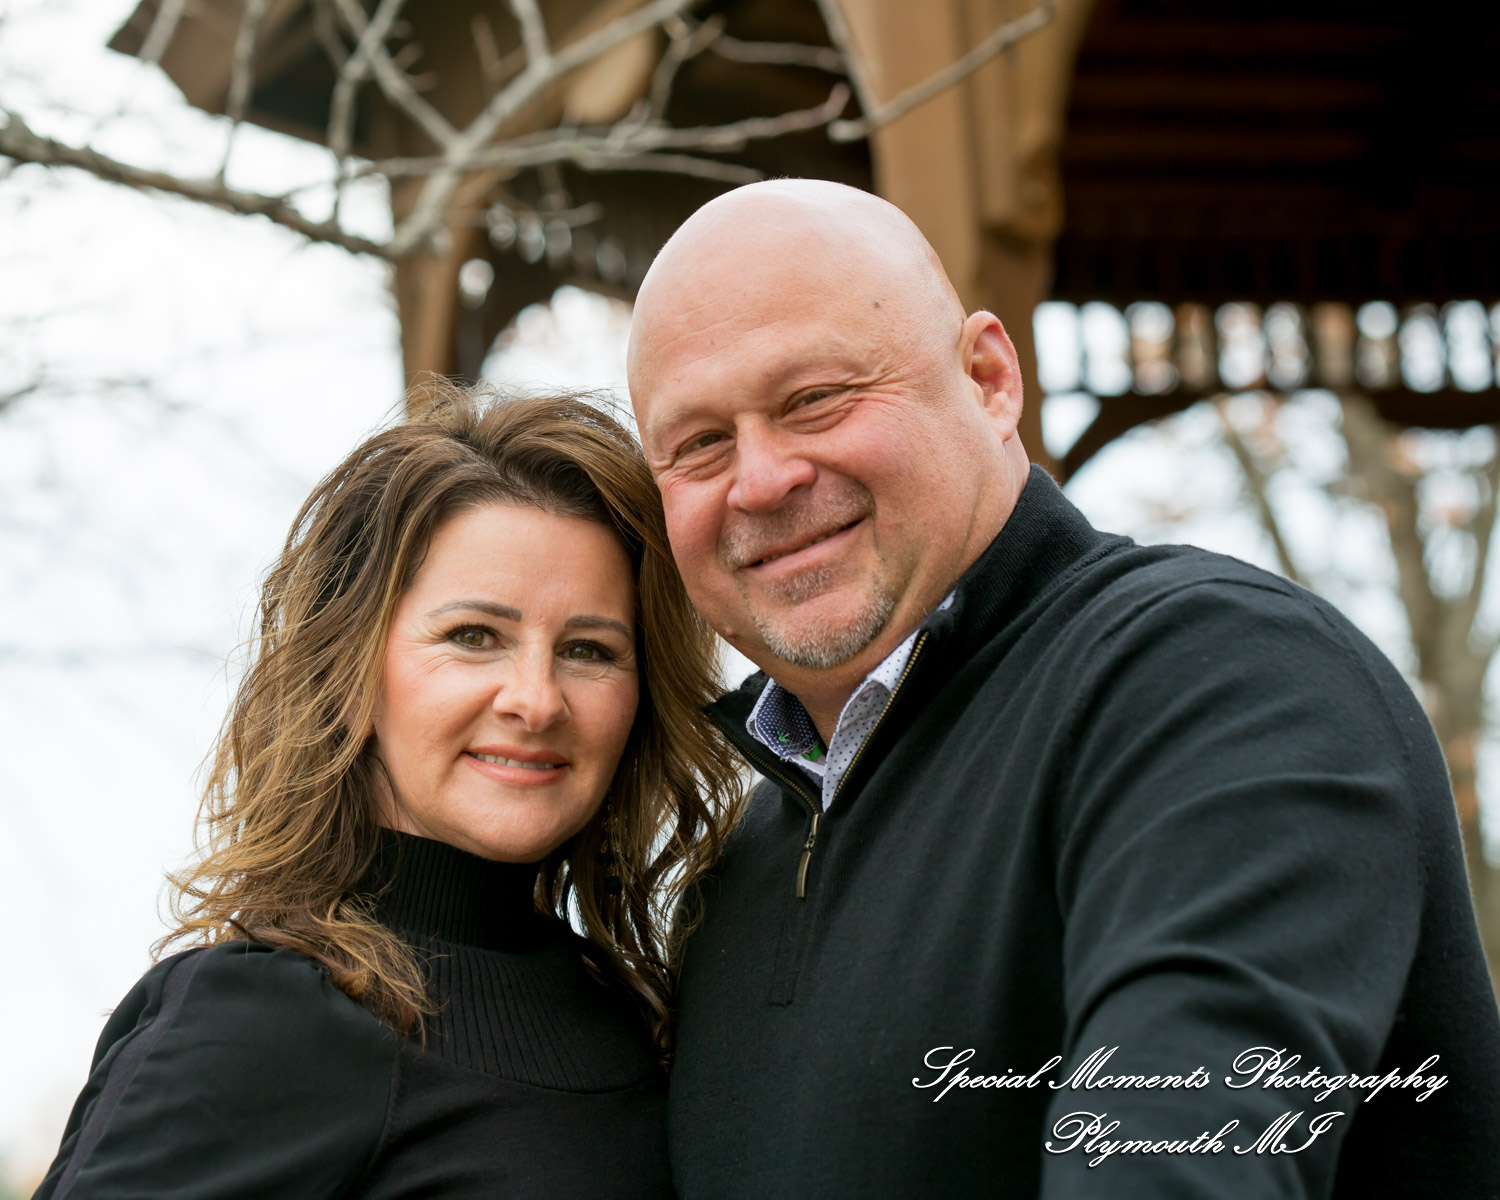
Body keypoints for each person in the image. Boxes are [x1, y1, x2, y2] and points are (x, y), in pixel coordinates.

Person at [626, 179, 1500, 1198]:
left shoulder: (1221, 682)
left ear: (990, 380)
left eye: (814, 399)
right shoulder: (736, 868)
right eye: (699, 445)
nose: (761, 479)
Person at [35, 384, 741, 1198]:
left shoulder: (640, 1020)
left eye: (589, 650)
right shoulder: (266, 1019)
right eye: (474, 636)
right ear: (350, 672)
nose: (538, 700)